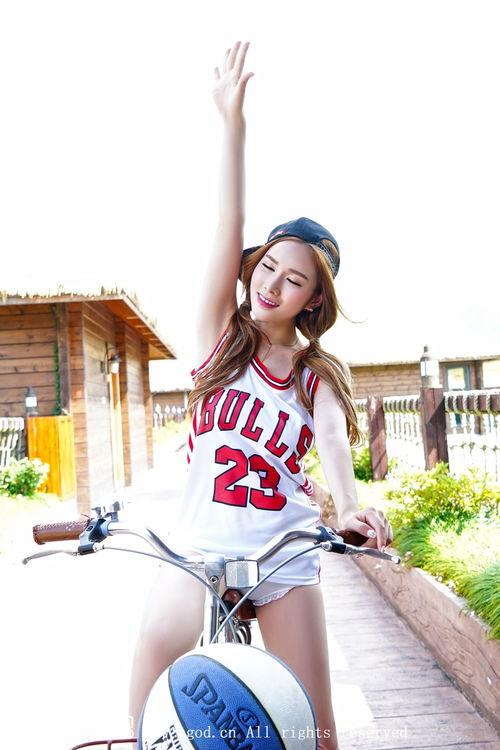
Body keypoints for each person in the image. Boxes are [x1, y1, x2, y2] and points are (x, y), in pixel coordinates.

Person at [128, 41, 393, 750]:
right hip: (196, 548)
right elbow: (229, 226)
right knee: (147, 695)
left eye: (294, 279)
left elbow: (331, 440)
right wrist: (232, 125)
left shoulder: (315, 373)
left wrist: (351, 508)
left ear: (314, 300)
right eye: (268, 267)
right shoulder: (219, 338)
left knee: (316, 732)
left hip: (280, 554)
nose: (272, 284)